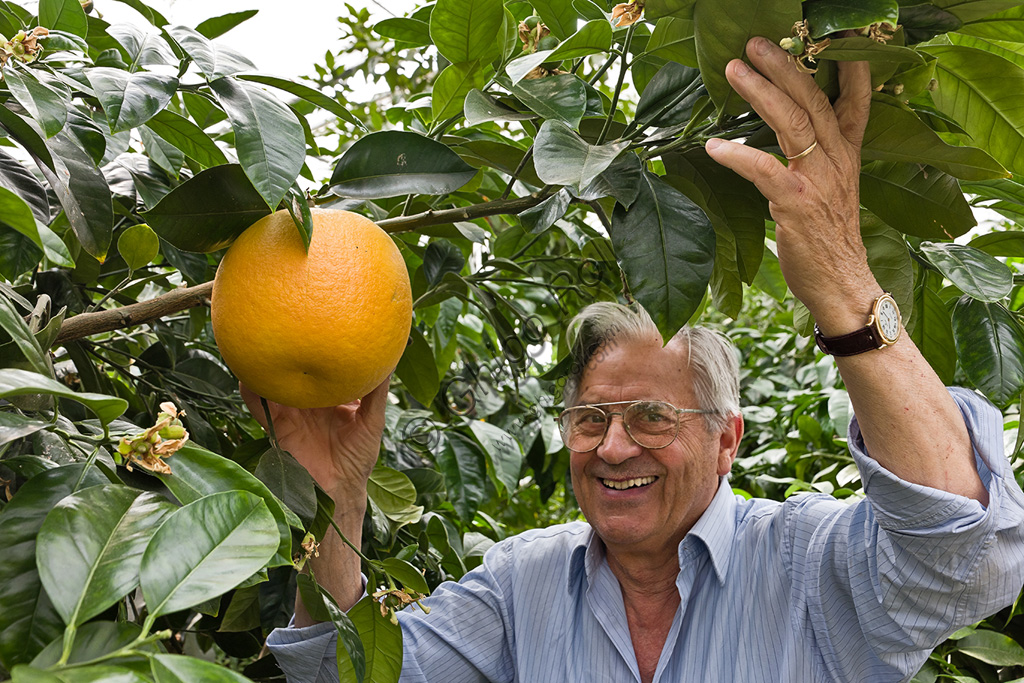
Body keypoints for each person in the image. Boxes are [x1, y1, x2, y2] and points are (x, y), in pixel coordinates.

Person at [262, 38, 1024, 682]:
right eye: (590, 418)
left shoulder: (806, 565)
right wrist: (334, 501)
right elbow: (343, 668)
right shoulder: (521, 586)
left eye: (652, 416)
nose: (614, 445)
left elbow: (967, 550)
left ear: (728, 438)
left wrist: (843, 279)